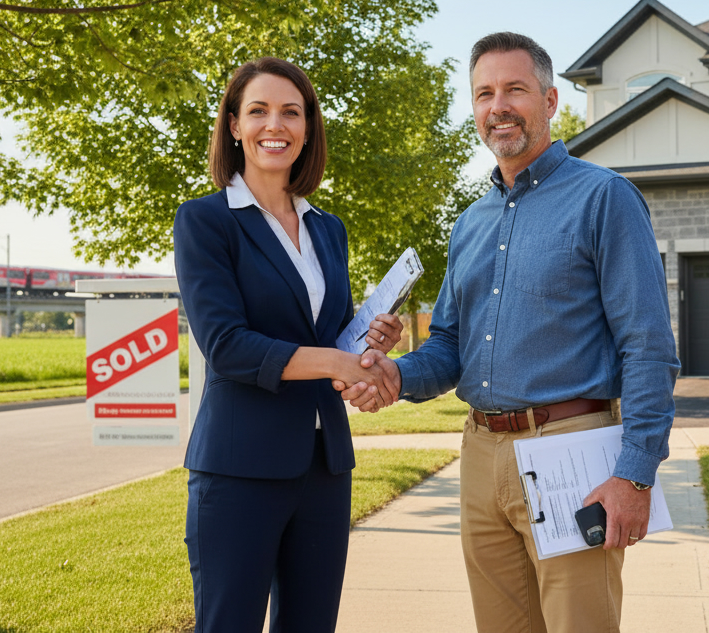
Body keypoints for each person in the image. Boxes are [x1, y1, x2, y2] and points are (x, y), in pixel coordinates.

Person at [347, 32, 680, 632]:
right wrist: (395, 374)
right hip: (480, 454)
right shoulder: (469, 224)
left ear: (550, 102)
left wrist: (635, 472)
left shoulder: (604, 198)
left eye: (514, 90)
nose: (497, 105)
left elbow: (648, 347)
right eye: (483, 93)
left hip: (573, 450)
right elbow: (449, 345)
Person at [174, 57, 402, 633]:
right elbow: (227, 345)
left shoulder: (328, 228)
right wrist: (337, 358)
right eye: (258, 111)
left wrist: (370, 339)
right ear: (233, 126)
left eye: (290, 112)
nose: (275, 125)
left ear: (307, 128)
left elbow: (327, 334)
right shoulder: (205, 222)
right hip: (240, 468)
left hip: (325, 466)